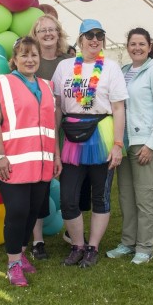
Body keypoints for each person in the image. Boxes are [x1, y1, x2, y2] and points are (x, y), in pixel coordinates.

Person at [0, 37, 61, 286]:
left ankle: (21, 252)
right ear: (14, 60)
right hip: (12, 161)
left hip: (41, 163)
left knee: (32, 212)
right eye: (24, 55)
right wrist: (0, 156)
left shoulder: (47, 86)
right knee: (17, 211)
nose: (30, 60)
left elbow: (51, 125)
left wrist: (56, 156)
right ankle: (13, 264)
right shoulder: (2, 84)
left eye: (34, 55)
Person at [52, 19, 127, 268]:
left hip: (102, 133)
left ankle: (93, 247)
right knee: (68, 198)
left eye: (100, 35)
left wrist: (117, 144)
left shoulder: (111, 68)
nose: (95, 39)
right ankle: (77, 245)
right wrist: (54, 146)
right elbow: (57, 107)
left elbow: (118, 107)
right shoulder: (64, 67)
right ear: (80, 39)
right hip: (72, 135)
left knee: (101, 195)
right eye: (89, 35)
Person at [107, 28, 153, 264]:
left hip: (146, 143)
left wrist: (152, 145)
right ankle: (127, 242)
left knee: (144, 197)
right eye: (133, 44)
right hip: (124, 143)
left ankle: (145, 247)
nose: (137, 48)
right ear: (127, 46)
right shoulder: (123, 71)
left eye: (142, 44)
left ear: (150, 46)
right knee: (126, 196)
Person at [28, 14, 70, 260]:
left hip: (67, 133)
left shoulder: (69, 62)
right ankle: (38, 240)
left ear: (58, 33)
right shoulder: (29, 61)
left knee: (70, 183)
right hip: (37, 135)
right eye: (42, 30)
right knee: (38, 186)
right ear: (36, 34)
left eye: (51, 29)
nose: (47, 34)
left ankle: (71, 232)